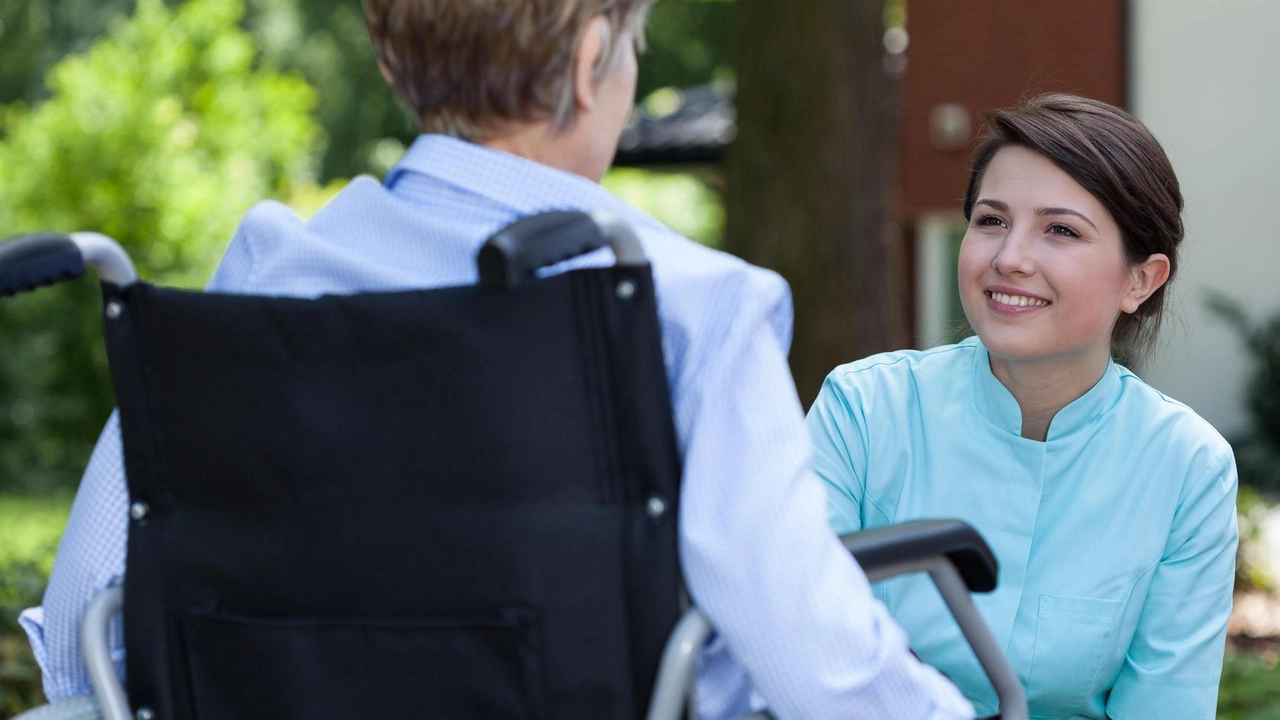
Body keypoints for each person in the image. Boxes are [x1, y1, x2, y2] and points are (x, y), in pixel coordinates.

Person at [20, 2, 977, 718]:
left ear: (395, 60)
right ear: (595, 55)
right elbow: (810, 656)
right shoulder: (690, 303)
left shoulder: (268, 267)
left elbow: (81, 627)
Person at [806, 93, 1238, 720]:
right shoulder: (864, 411)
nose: (1009, 258)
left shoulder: (1186, 467)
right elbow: (804, 650)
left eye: (1060, 230)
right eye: (990, 220)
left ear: (1140, 280)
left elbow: (1163, 705)